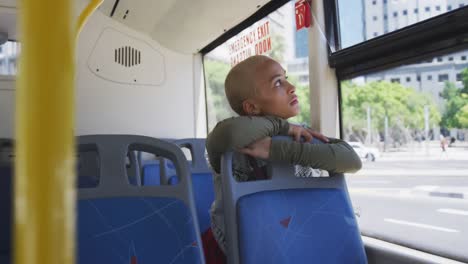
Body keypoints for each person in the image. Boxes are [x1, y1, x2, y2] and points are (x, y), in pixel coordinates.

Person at [203, 55, 362, 263]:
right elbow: (229, 134)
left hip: (291, 235)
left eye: (286, 78)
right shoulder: (231, 142)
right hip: (230, 244)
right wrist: (282, 125)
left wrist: (277, 149)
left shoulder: (300, 135)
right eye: (278, 82)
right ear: (251, 108)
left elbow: (351, 160)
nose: (292, 87)